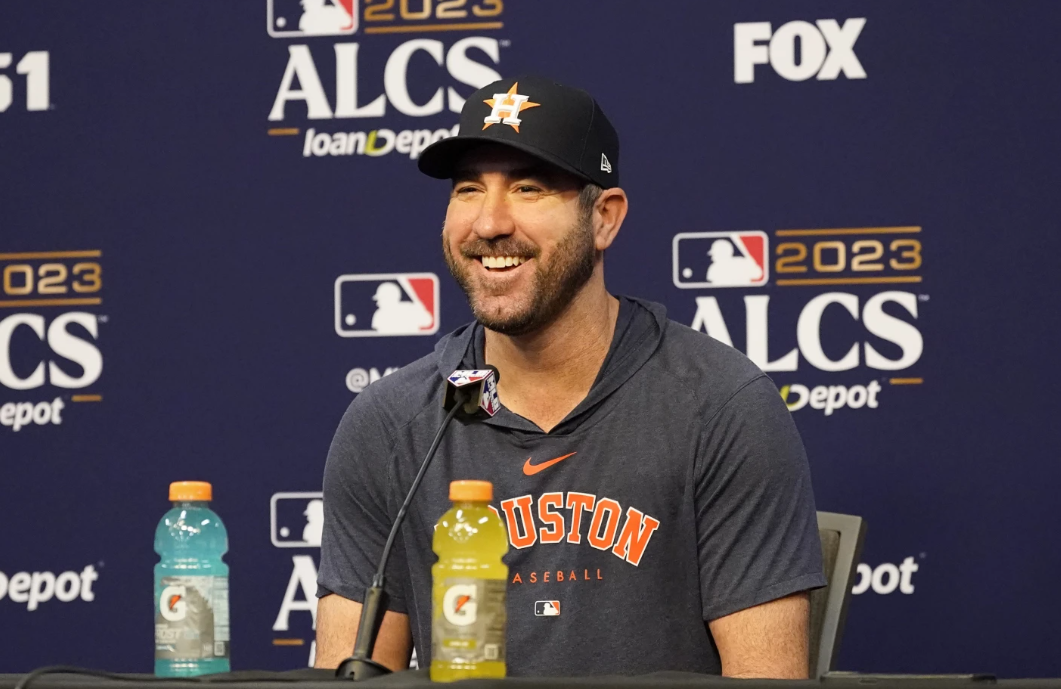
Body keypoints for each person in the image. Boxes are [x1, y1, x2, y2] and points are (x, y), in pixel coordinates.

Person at [314, 76, 825, 678]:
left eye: (529, 188)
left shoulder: (719, 407)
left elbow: (765, 681)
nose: (489, 223)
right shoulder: (392, 424)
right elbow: (349, 673)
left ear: (604, 218)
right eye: (469, 189)